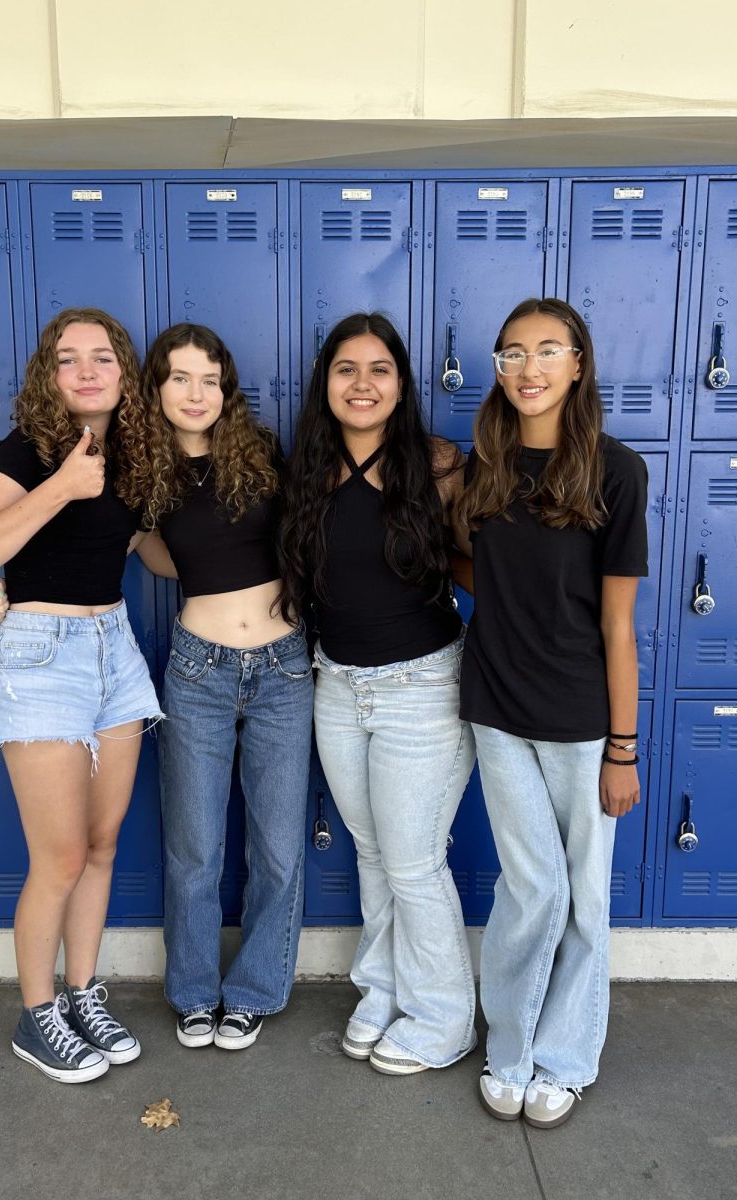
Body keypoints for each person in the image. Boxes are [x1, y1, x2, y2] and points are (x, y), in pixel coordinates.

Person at [0, 322, 312, 1053]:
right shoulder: (140, 471)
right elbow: (127, 549)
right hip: (197, 666)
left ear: (226, 388)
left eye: (210, 378)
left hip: (284, 667)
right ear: (153, 388)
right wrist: (18, 587)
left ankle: (254, 991)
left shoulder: (262, 457)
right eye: (179, 378)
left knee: (278, 849)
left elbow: (310, 537)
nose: (196, 393)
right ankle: (194, 995)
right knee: (194, 849)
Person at [0, 307, 163, 1084]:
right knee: (61, 856)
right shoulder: (31, 450)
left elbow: (156, 553)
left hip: (116, 652)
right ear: (50, 374)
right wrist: (64, 486)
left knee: (102, 846)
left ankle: (81, 994)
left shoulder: (137, 455)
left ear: (122, 373)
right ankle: (36, 1015)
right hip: (42, 656)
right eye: (67, 358)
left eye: (100, 357)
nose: (85, 370)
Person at [458, 297, 647, 1128]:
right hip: (496, 706)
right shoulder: (481, 470)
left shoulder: (614, 469)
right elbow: (480, 578)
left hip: (579, 720)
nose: (527, 368)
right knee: (530, 889)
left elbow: (616, 624)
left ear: (577, 364)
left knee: (583, 896)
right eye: (510, 353)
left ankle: (564, 1058)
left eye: (545, 351)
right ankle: (509, 1044)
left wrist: (623, 748)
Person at [279, 312, 477, 1076]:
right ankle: (382, 987)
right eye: (345, 370)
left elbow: (479, 560)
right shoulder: (307, 471)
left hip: (422, 686)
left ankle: (443, 1016)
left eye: (378, 369)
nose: (361, 385)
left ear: (400, 384)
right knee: (371, 852)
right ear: (325, 383)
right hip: (337, 684)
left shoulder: (435, 464)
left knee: (412, 862)